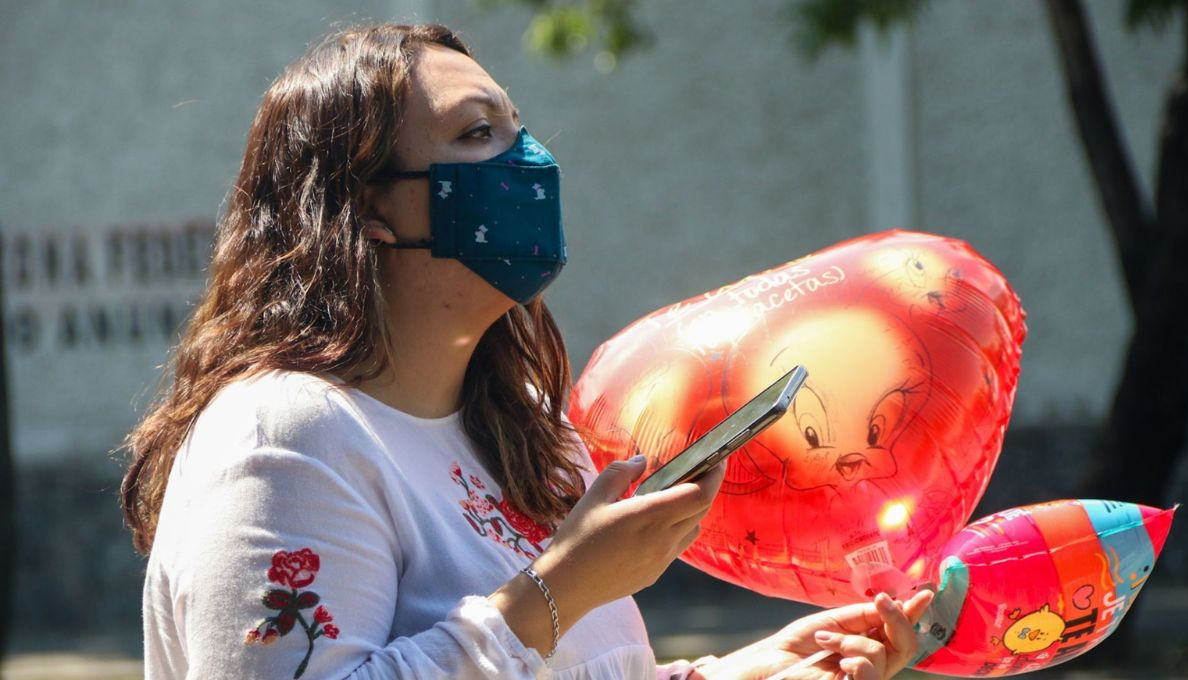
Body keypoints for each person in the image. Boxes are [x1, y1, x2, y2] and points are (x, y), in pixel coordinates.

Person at [120, 23, 933, 680]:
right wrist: (562, 589)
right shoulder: (287, 437)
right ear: (366, 210)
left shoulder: (526, 431)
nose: (532, 163)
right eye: (478, 133)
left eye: (520, 127)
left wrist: (743, 674)